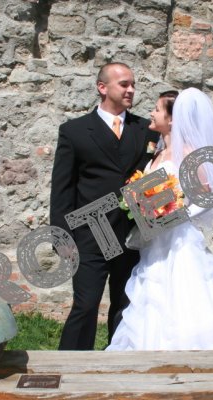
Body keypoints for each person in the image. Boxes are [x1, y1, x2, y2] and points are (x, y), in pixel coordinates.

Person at [106, 88, 213, 350]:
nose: (152, 113)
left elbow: (207, 197)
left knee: (181, 295)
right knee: (153, 295)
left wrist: (173, 215)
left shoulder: (189, 154)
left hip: (178, 241)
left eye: (157, 109)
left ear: (172, 119)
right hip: (154, 241)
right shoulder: (158, 151)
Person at [50, 63, 159, 350]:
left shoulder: (146, 130)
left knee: (125, 306)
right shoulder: (74, 131)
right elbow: (62, 188)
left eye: (133, 84)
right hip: (90, 234)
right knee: (85, 305)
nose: (131, 90)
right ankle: (69, 365)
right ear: (102, 87)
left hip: (132, 234)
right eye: (124, 84)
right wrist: (61, 237)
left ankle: (117, 362)